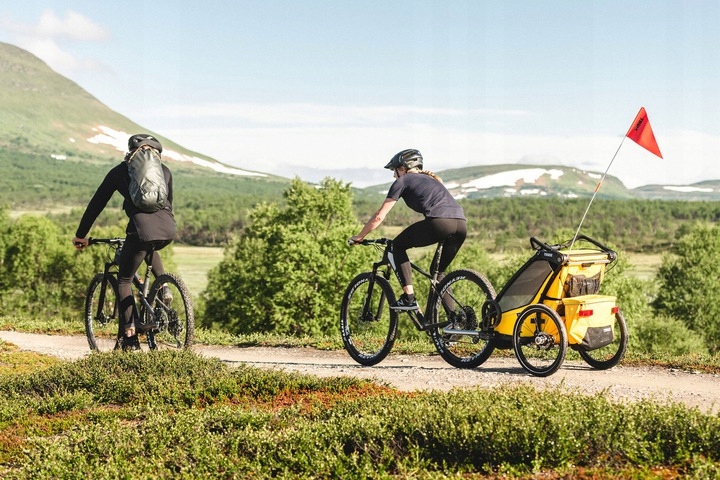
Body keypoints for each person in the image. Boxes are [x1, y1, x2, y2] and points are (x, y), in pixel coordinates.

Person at [73, 134, 176, 351]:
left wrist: (81, 235)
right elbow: (169, 203)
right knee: (149, 247)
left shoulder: (121, 171)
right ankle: (164, 287)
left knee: (124, 280)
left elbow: (97, 203)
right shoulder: (164, 171)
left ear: (130, 152)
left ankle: (130, 336)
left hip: (140, 230)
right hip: (168, 229)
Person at [350, 148, 467, 311]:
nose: (394, 175)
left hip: (440, 222)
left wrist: (360, 236)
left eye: (395, 170)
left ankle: (409, 298)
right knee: (438, 273)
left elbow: (379, 216)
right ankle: (455, 320)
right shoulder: (431, 180)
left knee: (396, 246)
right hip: (461, 224)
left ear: (403, 168)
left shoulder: (403, 181)